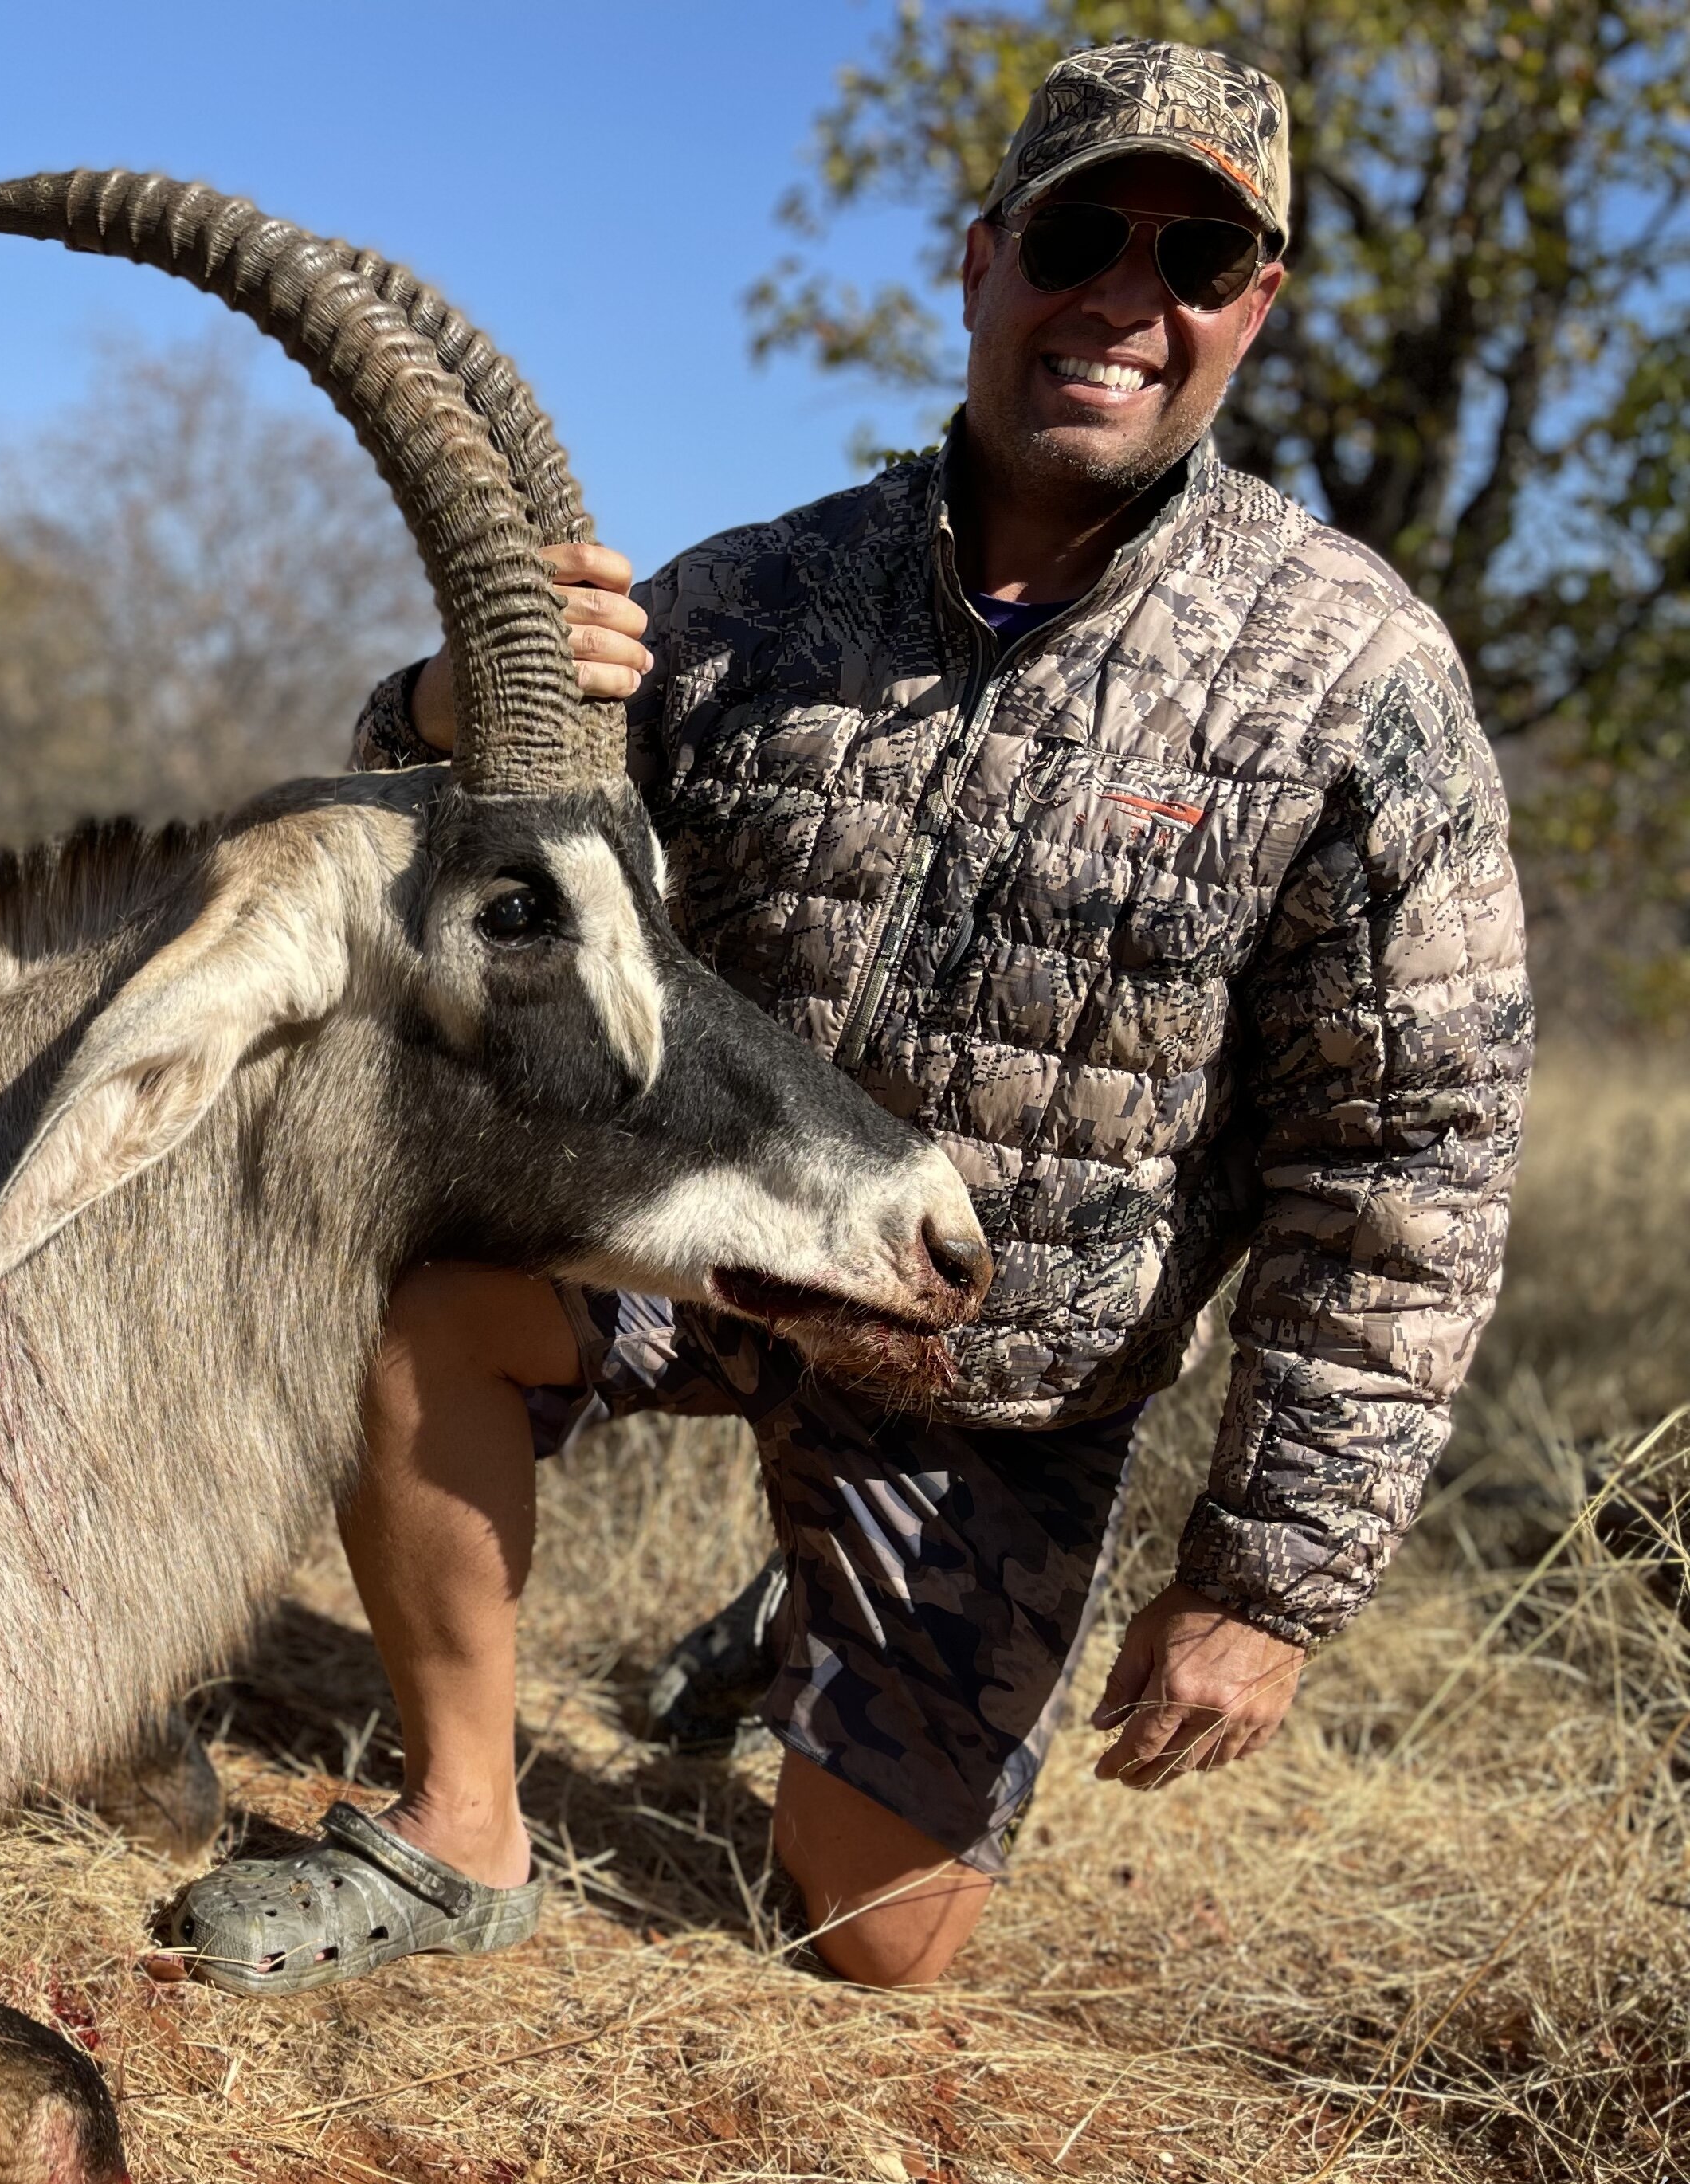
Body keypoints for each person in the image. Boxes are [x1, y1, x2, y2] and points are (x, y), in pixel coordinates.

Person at [169, 39, 1531, 1992]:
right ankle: (461, 1832)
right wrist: (454, 703)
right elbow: (481, 820)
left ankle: (792, 1629)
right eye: (1079, 233)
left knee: (881, 1946)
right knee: (415, 1282)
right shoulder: (759, 597)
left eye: (1196, 256)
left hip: (1002, 1364)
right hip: (709, 1244)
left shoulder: (1354, 679)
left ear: (1257, 307)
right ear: (983, 263)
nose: (1125, 295)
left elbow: (1412, 1157)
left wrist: (1267, 1581)